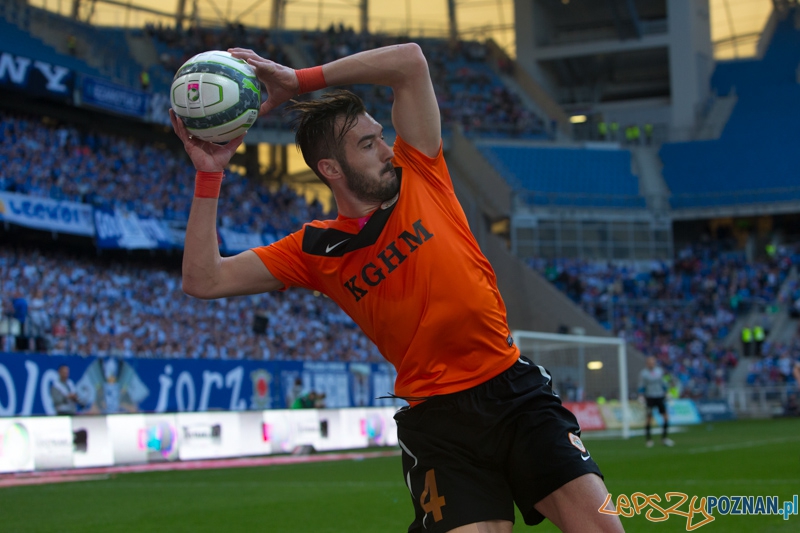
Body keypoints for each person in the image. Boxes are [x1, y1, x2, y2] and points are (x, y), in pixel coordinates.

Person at [171, 43, 622, 533]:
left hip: (513, 392)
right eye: (368, 145)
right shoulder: (313, 249)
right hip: (438, 424)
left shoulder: (421, 171)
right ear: (331, 169)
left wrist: (300, 79)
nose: (387, 151)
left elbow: (409, 61)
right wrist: (209, 176)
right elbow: (203, 279)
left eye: (380, 137)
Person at [638, 356, 674, 448]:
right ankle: (649, 440)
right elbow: (642, 385)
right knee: (648, 419)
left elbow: (663, 383)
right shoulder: (643, 373)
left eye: (653, 362)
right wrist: (641, 395)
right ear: (647, 363)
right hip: (649, 397)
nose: (651, 364)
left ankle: (664, 438)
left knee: (665, 417)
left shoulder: (659, 371)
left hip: (660, 396)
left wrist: (667, 393)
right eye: (650, 362)